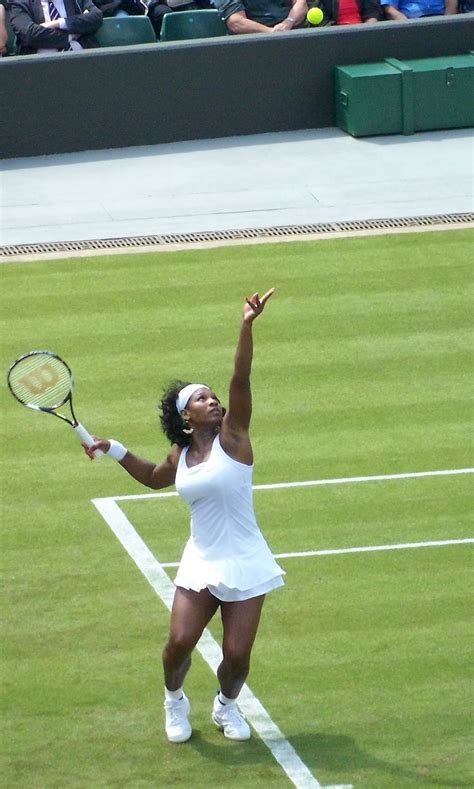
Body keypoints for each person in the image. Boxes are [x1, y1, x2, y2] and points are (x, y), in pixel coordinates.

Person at [84, 289, 285, 744]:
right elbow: (155, 477)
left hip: (246, 558)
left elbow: (240, 378)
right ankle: (174, 701)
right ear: (186, 417)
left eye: (214, 397)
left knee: (237, 656)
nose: (213, 401)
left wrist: (246, 325)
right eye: (202, 399)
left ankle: (225, 707)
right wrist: (112, 447)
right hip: (201, 560)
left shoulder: (234, 438)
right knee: (177, 645)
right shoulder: (181, 454)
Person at [9, 0, 102, 55]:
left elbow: (96, 17)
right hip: (40, 68)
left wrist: (60, 23)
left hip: (83, 60)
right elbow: (29, 34)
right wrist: (71, 35)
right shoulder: (20, 2)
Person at [214, 0, 308, 34]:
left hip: (293, 32)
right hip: (254, 43)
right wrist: (271, 32)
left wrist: (288, 23)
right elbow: (236, 22)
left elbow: (301, 4)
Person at [311, 0, 381, 24]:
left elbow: (372, 15)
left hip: (361, 32)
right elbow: (324, 23)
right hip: (334, 36)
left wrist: (367, 35)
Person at [380, 0, 457, 19]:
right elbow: (390, 10)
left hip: (439, 18)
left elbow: (451, 2)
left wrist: (447, 20)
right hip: (412, 20)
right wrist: (408, 26)